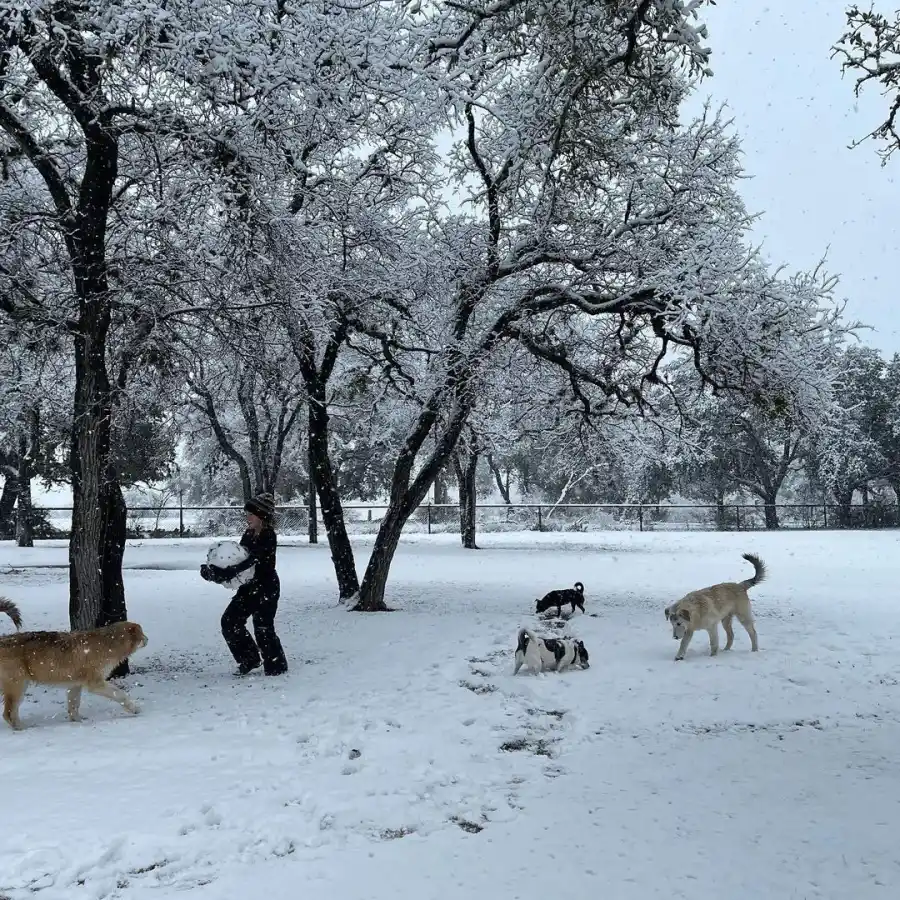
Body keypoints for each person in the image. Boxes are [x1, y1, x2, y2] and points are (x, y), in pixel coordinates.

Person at [203, 492, 288, 677]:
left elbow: (252, 559)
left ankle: (276, 665)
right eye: (247, 514)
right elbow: (238, 559)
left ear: (262, 516)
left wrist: (231, 571)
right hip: (249, 587)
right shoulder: (248, 534)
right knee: (230, 621)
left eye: (251, 514)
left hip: (266, 587)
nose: (247, 518)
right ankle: (249, 659)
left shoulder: (268, 535)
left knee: (263, 627)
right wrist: (215, 572)